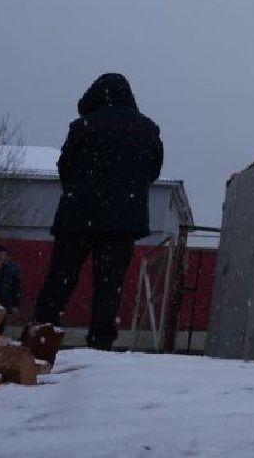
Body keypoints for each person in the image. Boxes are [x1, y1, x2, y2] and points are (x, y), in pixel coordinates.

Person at [28, 72, 163, 352]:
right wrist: (126, 193)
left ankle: (40, 337)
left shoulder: (84, 125)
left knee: (61, 278)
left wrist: (82, 191)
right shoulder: (147, 129)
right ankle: (101, 344)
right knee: (109, 284)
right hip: (123, 220)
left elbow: (65, 166)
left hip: (78, 214)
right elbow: (152, 171)